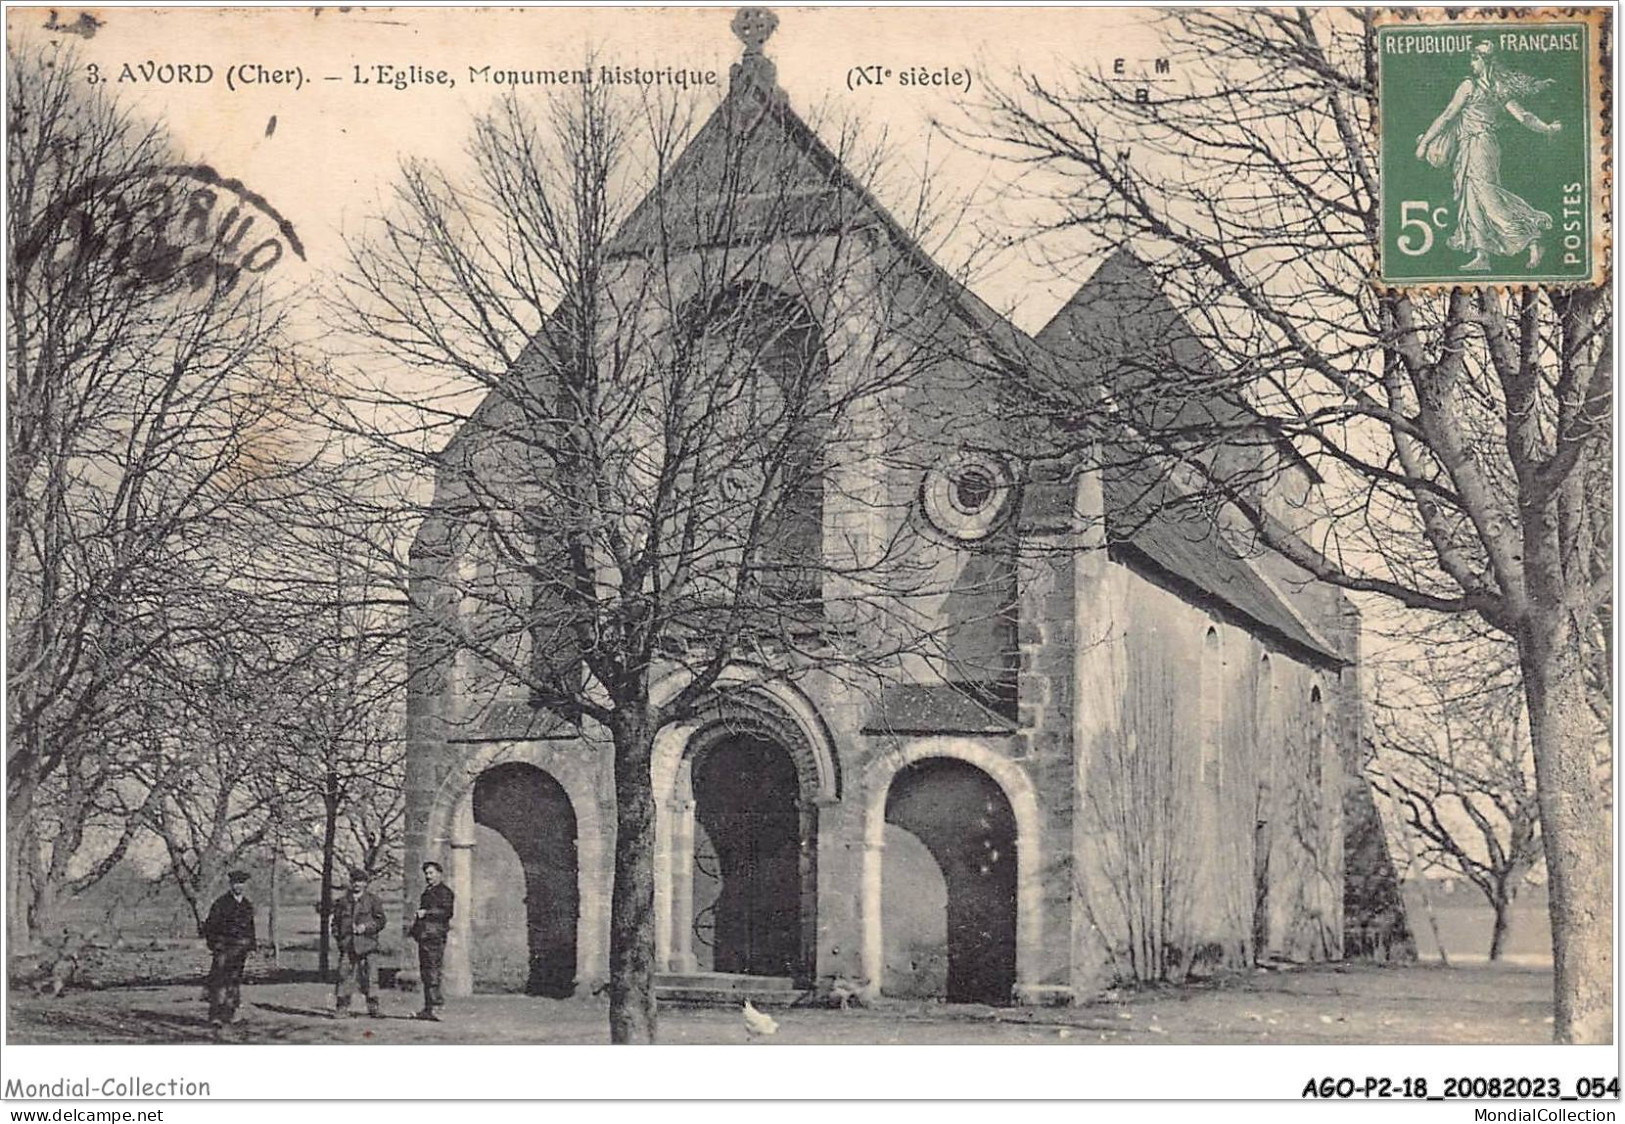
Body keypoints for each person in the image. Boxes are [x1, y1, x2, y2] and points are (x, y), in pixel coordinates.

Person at [1415, 41, 1563, 272]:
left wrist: (1424, 143)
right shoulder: (1495, 88)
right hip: (1474, 147)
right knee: (1472, 197)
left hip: (1480, 146)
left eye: (1474, 59)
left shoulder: (1471, 86)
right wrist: (1547, 128)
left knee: (1486, 195)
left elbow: (1447, 117)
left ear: (1485, 62)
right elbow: (1523, 116)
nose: (1470, 63)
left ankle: (1531, 235)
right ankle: (1482, 254)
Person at [201, 870, 256, 1028]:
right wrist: (215, 945)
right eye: (236, 883)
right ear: (231, 884)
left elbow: (250, 928)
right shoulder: (221, 903)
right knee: (219, 980)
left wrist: (251, 946)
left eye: (241, 883)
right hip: (224, 948)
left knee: (234, 981)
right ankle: (215, 1016)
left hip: (240, 950)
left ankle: (230, 1014)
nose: (239, 886)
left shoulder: (247, 905)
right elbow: (210, 926)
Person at [333, 866, 387, 1018]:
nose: (357, 884)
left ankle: (373, 1007)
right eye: (354, 881)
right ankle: (342, 1008)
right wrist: (340, 939)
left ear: (366, 883)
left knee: (371, 977)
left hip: (368, 945)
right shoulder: (342, 902)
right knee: (344, 977)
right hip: (348, 945)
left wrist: (366, 927)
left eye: (361, 881)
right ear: (350, 882)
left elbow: (381, 921)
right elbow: (335, 923)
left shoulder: (373, 901)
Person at [408, 859, 455, 1021]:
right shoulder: (428, 892)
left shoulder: (444, 892)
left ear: (439, 874)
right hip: (425, 937)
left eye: (431, 873)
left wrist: (427, 913)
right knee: (426, 972)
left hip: (435, 937)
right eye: (426, 873)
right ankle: (429, 1008)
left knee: (433, 971)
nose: (428, 876)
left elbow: (446, 912)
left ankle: (437, 1006)